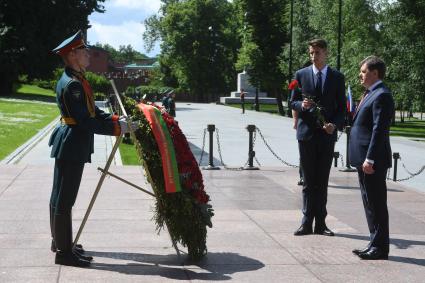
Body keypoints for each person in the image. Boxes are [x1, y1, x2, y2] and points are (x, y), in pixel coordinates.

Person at [48, 30, 137, 267]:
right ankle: (64, 253)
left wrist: (115, 119)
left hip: (70, 141)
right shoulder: (73, 84)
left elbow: (93, 112)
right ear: (72, 55)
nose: (88, 54)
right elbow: (85, 121)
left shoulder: (77, 79)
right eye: (83, 51)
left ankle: (60, 242)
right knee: (64, 198)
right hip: (72, 142)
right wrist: (118, 129)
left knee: (59, 196)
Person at [290, 39, 346, 236]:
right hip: (306, 136)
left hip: (327, 136)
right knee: (307, 181)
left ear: (326, 53)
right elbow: (292, 101)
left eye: (318, 52)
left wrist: (335, 125)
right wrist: (300, 106)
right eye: (311, 53)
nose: (314, 56)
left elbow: (342, 109)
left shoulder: (337, 77)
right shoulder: (301, 74)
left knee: (322, 181)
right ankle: (306, 222)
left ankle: (320, 223)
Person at [349, 56, 394, 260]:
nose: (361, 74)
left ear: (375, 73)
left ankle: (380, 248)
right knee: (369, 202)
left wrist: (371, 159)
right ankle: (374, 243)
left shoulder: (382, 95)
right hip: (364, 158)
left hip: (372, 160)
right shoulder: (370, 93)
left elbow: (379, 130)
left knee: (376, 203)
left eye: (364, 71)